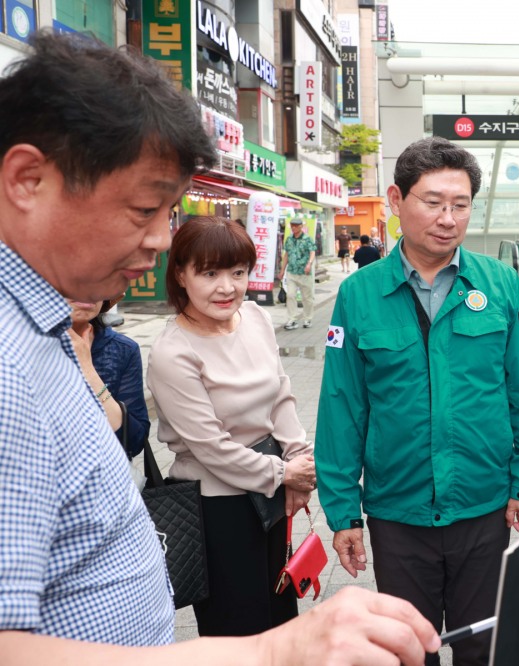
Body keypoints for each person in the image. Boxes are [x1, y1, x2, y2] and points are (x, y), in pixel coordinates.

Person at [0, 30, 438, 664]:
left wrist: (293, 461)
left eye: (169, 215)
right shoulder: (13, 363)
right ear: (27, 179)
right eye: (144, 209)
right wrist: (271, 653)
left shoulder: (47, 333)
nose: (156, 242)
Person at [316, 137, 519, 666]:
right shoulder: (360, 294)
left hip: (482, 503)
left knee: (480, 646)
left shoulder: (498, 284)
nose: (448, 218)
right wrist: (342, 513)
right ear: (396, 200)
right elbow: (342, 409)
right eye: (433, 202)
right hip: (397, 512)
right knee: (407, 648)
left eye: (461, 204)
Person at [147, 216, 317, 636]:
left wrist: (299, 462)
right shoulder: (173, 353)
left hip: (272, 492)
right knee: (239, 629)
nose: (227, 287)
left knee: (281, 617)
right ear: (181, 274)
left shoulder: (255, 318)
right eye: (210, 273)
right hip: (218, 507)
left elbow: (280, 393)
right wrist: (282, 472)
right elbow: (210, 447)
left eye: (238, 272)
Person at [67, 296, 149, 458]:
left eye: (98, 280)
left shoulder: (122, 349)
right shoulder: (16, 347)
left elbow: (134, 441)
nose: (87, 290)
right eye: (74, 278)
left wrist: (88, 371)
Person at [278, 217, 316, 330]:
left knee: (307, 297)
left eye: (296, 225)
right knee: (290, 295)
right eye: (292, 225)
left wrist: (309, 263)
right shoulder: (289, 239)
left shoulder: (307, 239)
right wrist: (282, 270)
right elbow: (286, 255)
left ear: (301, 226)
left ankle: (308, 318)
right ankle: (292, 319)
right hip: (292, 272)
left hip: (305, 273)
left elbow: (312, 252)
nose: (293, 227)